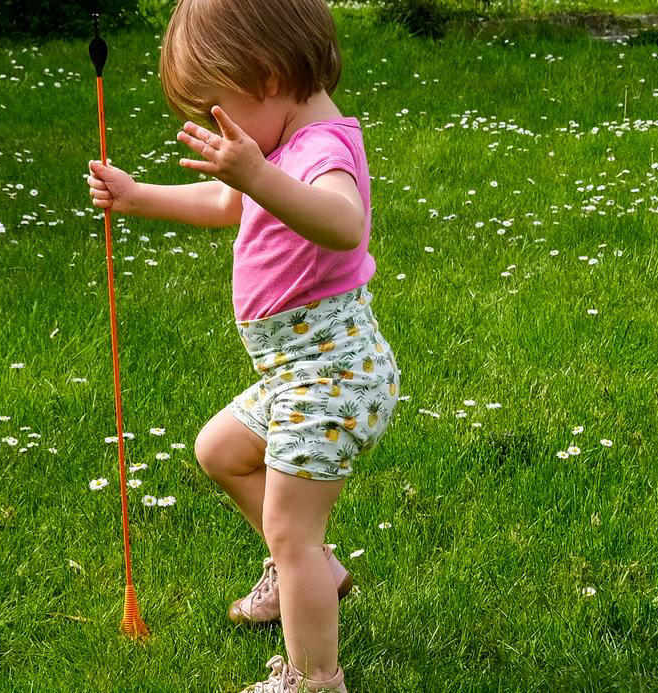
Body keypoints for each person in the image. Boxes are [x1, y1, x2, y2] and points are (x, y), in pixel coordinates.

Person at [87, 0, 400, 690]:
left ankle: (313, 678)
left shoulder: (320, 149)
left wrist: (257, 174)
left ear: (265, 76)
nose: (210, 123)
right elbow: (230, 203)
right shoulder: (281, 146)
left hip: (331, 379)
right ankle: (312, 572)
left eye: (215, 106)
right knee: (220, 451)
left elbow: (344, 223)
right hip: (297, 373)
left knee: (291, 530)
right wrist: (138, 196)